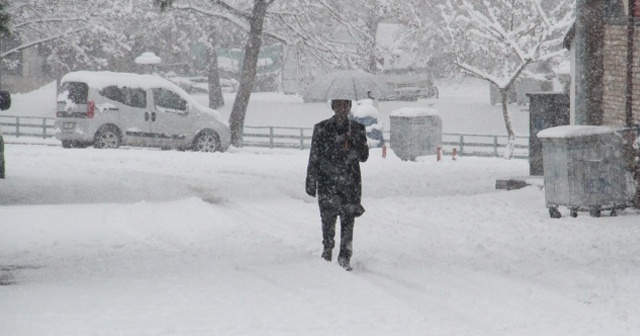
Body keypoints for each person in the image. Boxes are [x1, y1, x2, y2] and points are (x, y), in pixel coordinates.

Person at [305, 99, 369, 271]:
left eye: (346, 105)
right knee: (327, 219)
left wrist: (353, 142)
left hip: (350, 183)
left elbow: (364, 156)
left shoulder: (357, 129)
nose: (343, 108)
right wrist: (311, 181)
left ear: (349, 107)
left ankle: (345, 256)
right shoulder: (321, 128)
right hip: (327, 181)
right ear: (333, 107)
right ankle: (327, 249)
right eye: (339, 105)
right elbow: (314, 156)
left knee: (348, 221)